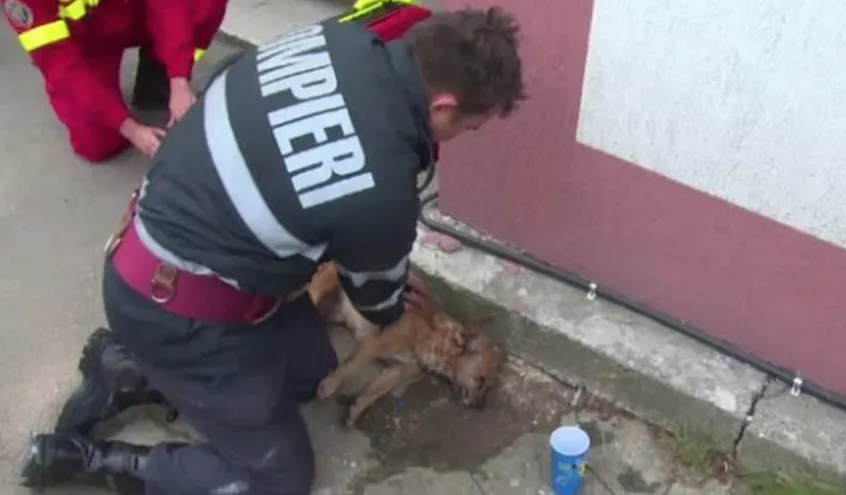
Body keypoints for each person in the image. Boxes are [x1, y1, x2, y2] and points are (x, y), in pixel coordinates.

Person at [19, 4, 525, 494]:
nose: (461, 137)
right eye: (468, 127)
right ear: (444, 106)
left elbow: (225, 82)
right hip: (177, 307)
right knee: (278, 478)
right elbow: (377, 301)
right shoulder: (385, 182)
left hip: (153, 247)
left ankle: (129, 368)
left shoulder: (340, 38)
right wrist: (386, 281)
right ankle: (96, 459)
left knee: (310, 376)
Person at [2, 0, 229, 163]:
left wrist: (179, 77)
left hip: (131, 12)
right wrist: (129, 127)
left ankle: (157, 74)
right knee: (97, 144)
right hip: (85, 47)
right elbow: (64, 70)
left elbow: (167, 6)